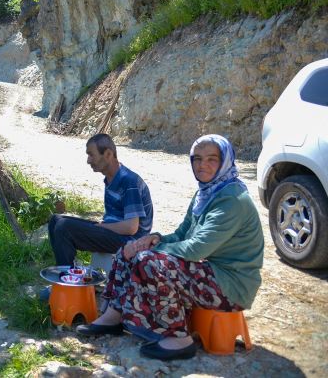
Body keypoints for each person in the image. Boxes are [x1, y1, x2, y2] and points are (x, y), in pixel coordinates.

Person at [76, 134, 264, 362]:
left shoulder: (231, 200)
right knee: (130, 249)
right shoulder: (206, 193)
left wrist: (151, 249)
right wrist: (152, 239)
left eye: (212, 159)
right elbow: (182, 234)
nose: (202, 165)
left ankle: (178, 339)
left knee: (148, 260)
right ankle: (114, 316)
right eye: (197, 159)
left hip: (232, 285)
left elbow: (196, 249)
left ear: (225, 161)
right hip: (212, 271)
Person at [48, 133, 154, 268]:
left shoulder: (129, 181)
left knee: (64, 227)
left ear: (108, 154)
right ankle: (67, 272)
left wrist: (102, 226)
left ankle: (67, 280)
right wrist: (101, 226)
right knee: (55, 221)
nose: (88, 160)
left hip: (131, 241)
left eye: (91, 155)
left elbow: (131, 227)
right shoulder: (110, 179)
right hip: (115, 233)